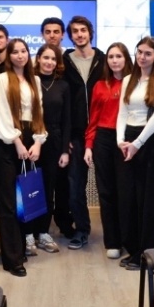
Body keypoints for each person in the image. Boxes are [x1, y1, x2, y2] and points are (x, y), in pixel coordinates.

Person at [116, 36, 154, 269]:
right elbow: (122, 112)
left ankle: (147, 253)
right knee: (129, 198)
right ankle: (133, 249)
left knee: (148, 200)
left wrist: (137, 144)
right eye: (139, 52)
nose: (142, 57)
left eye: (148, 53)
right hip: (127, 141)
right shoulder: (128, 79)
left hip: (148, 141)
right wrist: (120, 141)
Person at [0, 38, 47, 277]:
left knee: (25, 198)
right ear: (8, 56)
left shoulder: (35, 80)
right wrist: (16, 141)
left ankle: (21, 248)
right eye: (14, 52)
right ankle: (12, 258)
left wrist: (38, 141)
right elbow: (2, 113)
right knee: (9, 202)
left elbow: (39, 113)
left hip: (30, 138)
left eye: (23, 51)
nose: (20, 55)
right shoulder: (2, 79)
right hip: (8, 142)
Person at [84, 42, 133, 259]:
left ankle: (128, 240)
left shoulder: (135, 84)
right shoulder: (100, 85)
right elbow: (93, 119)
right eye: (111, 57)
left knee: (125, 191)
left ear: (126, 59)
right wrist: (89, 145)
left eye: (118, 56)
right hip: (103, 139)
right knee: (106, 192)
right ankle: (112, 241)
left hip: (126, 140)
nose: (114, 60)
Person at [62, 15, 105, 249]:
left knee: (108, 186)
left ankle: (115, 233)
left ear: (90, 32)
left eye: (83, 30)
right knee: (75, 186)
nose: (79, 35)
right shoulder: (64, 62)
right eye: (75, 31)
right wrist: (66, 136)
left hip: (104, 131)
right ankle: (82, 230)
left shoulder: (104, 60)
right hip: (77, 133)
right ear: (70, 36)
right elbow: (60, 101)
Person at [24, 43, 69, 256]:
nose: (49, 62)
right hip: (31, 139)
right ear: (38, 58)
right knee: (29, 188)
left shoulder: (63, 86)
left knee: (48, 189)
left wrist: (64, 150)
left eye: (53, 59)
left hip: (54, 141)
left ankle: (43, 232)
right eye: (46, 57)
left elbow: (67, 120)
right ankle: (27, 234)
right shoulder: (29, 82)